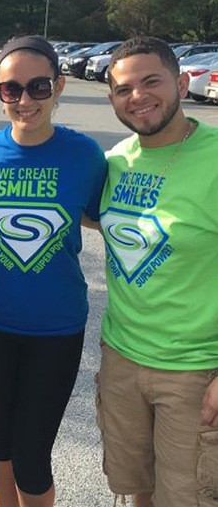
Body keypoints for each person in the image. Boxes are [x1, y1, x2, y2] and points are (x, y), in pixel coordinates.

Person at [0, 36, 107, 507]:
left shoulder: (86, 156)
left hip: (57, 327)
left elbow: (103, 218)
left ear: (59, 86)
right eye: (11, 90)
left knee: (33, 453)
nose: (25, 100)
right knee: (0, 436)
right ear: (0, 93)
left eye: (38, 87)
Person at [96, 35, 218, 507]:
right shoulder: (114, 163)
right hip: (121, 359)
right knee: (134, 489)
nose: (138, 96)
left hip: (194, 371)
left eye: (152, 82)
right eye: (125, 89)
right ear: (111, 99)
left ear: (183, 83)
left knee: (187, 498)